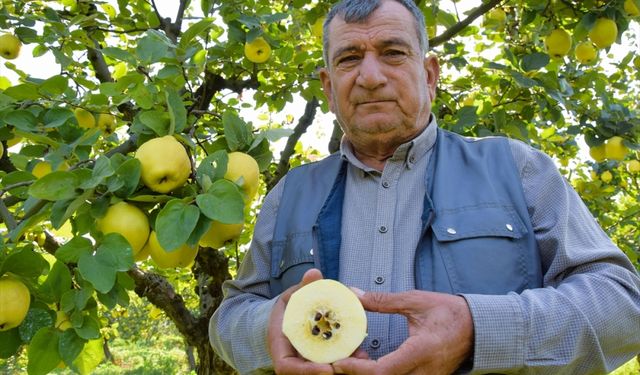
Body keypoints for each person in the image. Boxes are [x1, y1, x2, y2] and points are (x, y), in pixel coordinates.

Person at [209, 0, 640, 373]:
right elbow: (231, 316)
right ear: (328, 86)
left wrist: (478, 330)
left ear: (430, 74)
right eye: (349, 58)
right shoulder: (289, 193)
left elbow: (622, 305)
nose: (371, 76)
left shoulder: (518, 167)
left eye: (393, 53)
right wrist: (268, 329)